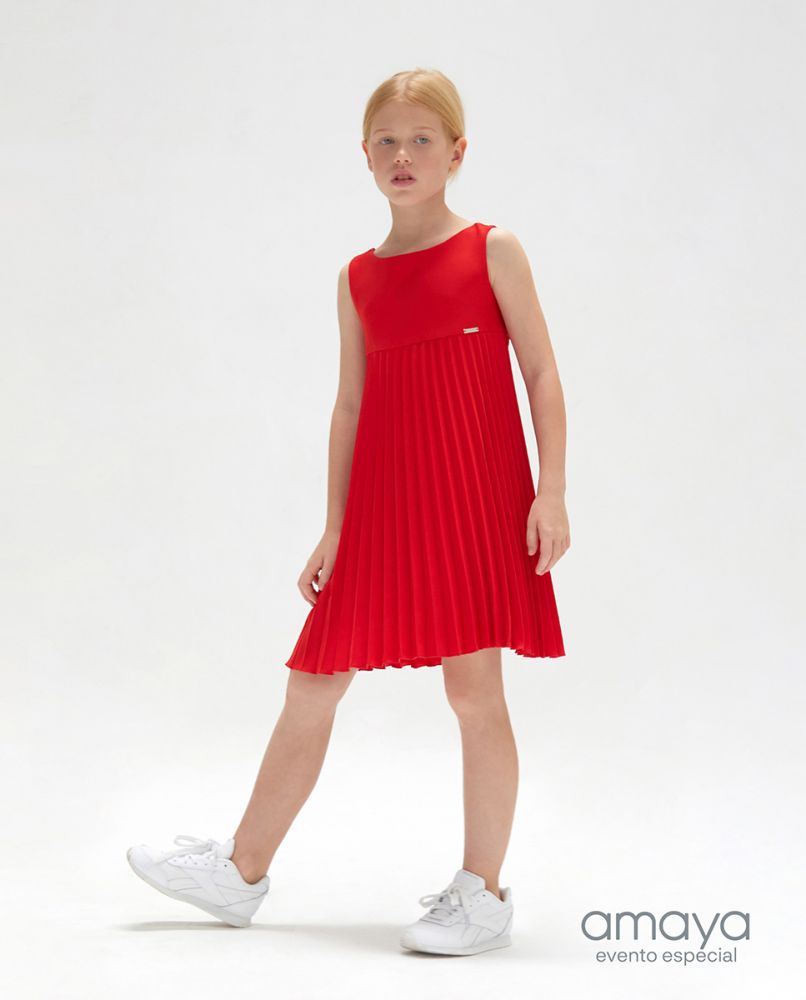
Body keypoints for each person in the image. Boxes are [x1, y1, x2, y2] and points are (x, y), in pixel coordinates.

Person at [127, 67, 570, 957]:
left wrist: (551, 489)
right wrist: (335, 525)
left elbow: (541, 372)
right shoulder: (358, 277)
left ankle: (483, 893)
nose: (403, 156)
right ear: (364, 156)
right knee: (314, 679)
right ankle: (240, 872)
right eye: (386, 142)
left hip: (475, 499)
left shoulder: (493, 249)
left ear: (456, 152)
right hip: (384, 505)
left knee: (473, 689)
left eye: (420, 141)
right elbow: (351, 405)